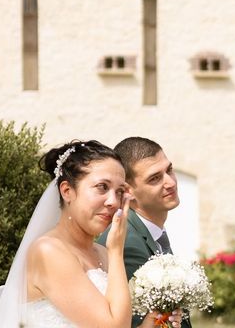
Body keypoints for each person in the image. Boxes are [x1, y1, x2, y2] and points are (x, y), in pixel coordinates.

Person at [0, 140, 153, 328]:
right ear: (67, 191)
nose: (113, 202)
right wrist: (117, 251)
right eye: (102, 187)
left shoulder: (101, 252)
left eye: (119, 191)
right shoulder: (49, 252)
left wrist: (151, 323)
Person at [98, 137, 191, 328]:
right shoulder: (128, 243)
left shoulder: (149, 230)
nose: (170, 182)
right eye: (155, 178)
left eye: (169, 170)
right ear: (128, 192)